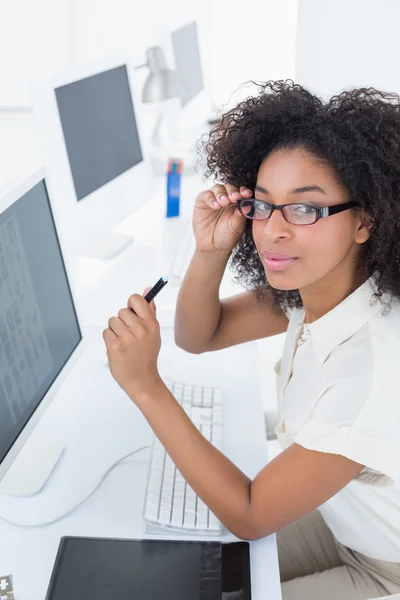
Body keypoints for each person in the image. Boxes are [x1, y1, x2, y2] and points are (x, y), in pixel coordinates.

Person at [102, 80, 400, 599]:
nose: (271, 231)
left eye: (305, 210)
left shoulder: (371, 372)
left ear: (365, 221)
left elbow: (250, 514)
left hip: (383, 567)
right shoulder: (323, 289)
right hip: (340, 521)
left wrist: (145, 386)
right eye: (262, 206)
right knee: (183, 571)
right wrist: (211, 248)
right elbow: (201, 335)